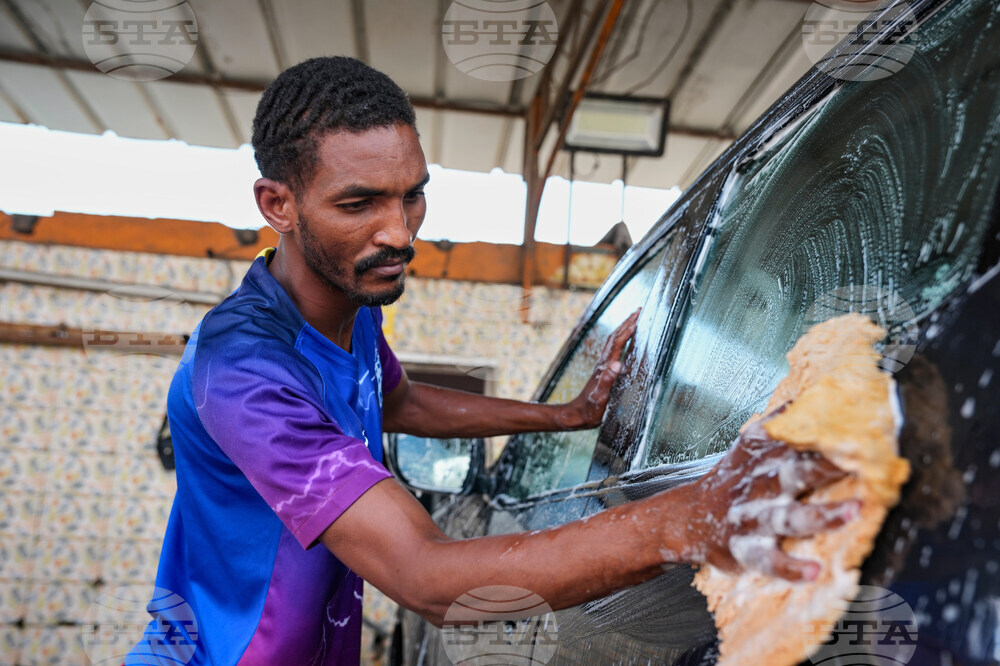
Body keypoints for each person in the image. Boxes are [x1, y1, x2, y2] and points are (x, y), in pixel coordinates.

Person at [127, 56, 858, 665]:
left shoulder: (346, 301)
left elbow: (401, 402)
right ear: (277, 204)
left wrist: (569, 415)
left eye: (413, 197)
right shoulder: (243, 369)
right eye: (359, 204)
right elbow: (425, 578)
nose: (399, 232)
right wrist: (683, 517)